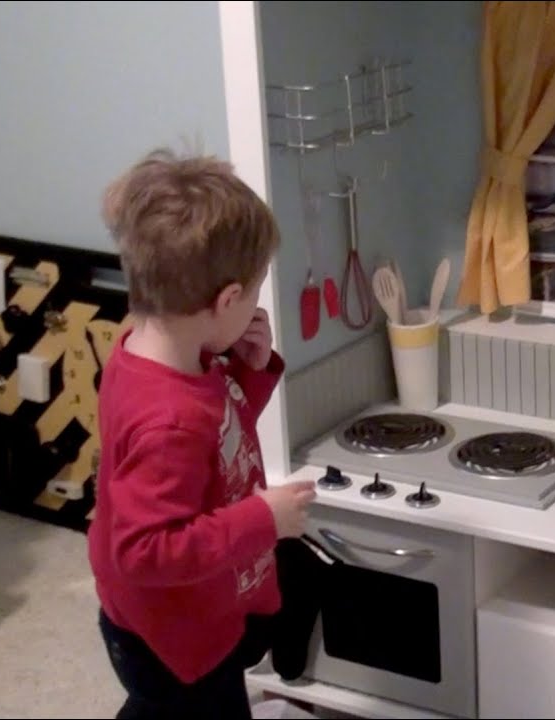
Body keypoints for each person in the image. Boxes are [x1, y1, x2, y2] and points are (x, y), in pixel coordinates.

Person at [87, 148, 316, 719]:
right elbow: (145, 550)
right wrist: (262, 519)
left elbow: (214, 439)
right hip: (174, 637)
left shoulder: (152, 354)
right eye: (254, 293)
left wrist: (248, 373)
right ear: (227, 300)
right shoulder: (169, 419)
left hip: (169, 617)